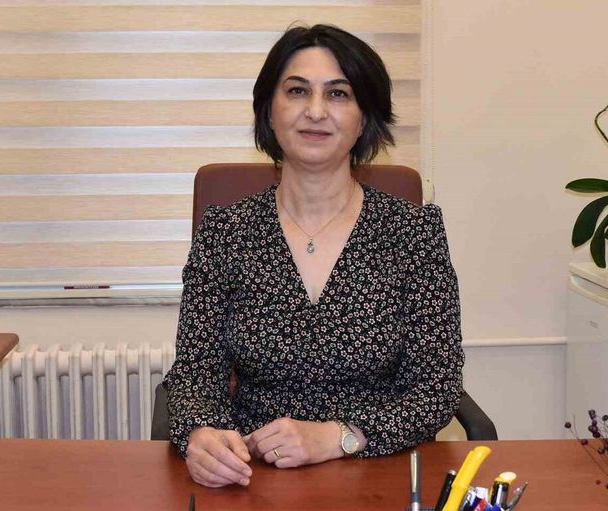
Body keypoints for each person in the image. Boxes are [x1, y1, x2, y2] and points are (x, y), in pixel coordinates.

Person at [163, 24, 465, 489]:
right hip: (254, 474)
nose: (316, 111)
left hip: (375, 472)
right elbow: (194, 375)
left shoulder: (413, 234)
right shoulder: (226, 232)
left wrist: (338, 436)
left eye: (338, 94)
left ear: (365, 117)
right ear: (269, 110)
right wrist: (201, 434)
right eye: (297, 91)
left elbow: (437, 386)